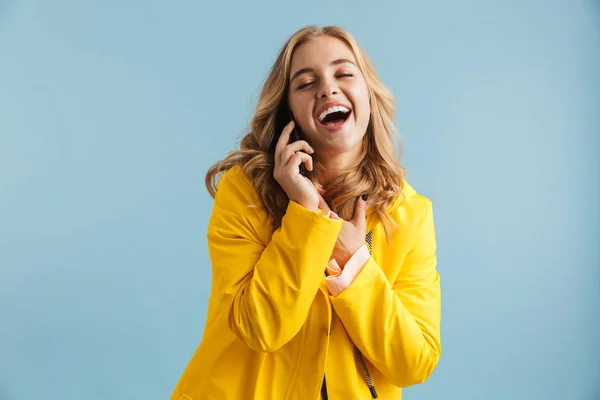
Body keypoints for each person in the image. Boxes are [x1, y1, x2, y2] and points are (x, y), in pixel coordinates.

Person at [170, 25, 441, 400]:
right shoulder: (244, 192)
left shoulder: (410, 214)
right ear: (289, 112)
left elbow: (415, 362)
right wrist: (304, 214)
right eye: (305, 83)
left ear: (369, 97)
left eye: (344, 73)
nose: (327, 89)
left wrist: (355, 265)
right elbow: (260, 328)